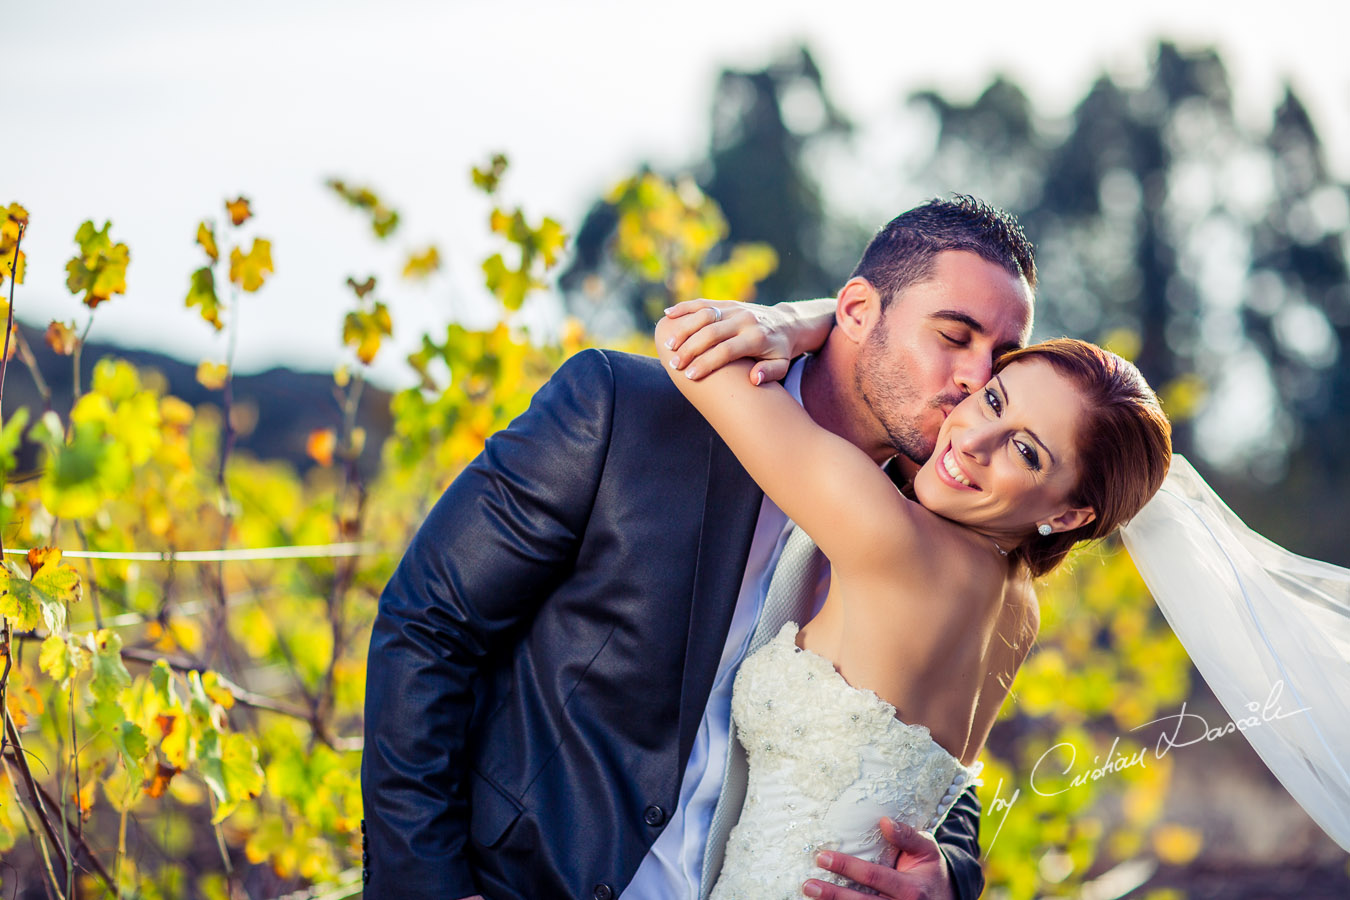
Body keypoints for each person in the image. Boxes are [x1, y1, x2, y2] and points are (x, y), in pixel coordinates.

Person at [360, 195, 1038, 900]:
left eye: (1002, 358)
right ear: (858, 310)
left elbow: (925, 756)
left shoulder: (941, 544)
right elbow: (428, 624)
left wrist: (949, 875)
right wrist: (428, 883)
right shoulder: (623, 409)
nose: (977, 377)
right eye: (954, 336)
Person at [653, 321, 1172, 894]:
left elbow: (686, 346)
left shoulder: (892, 538)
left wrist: (814, 322)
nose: (973, 440)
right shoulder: (1020, 611)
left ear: (1072, 515)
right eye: (993, 399)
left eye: (1025, 451)